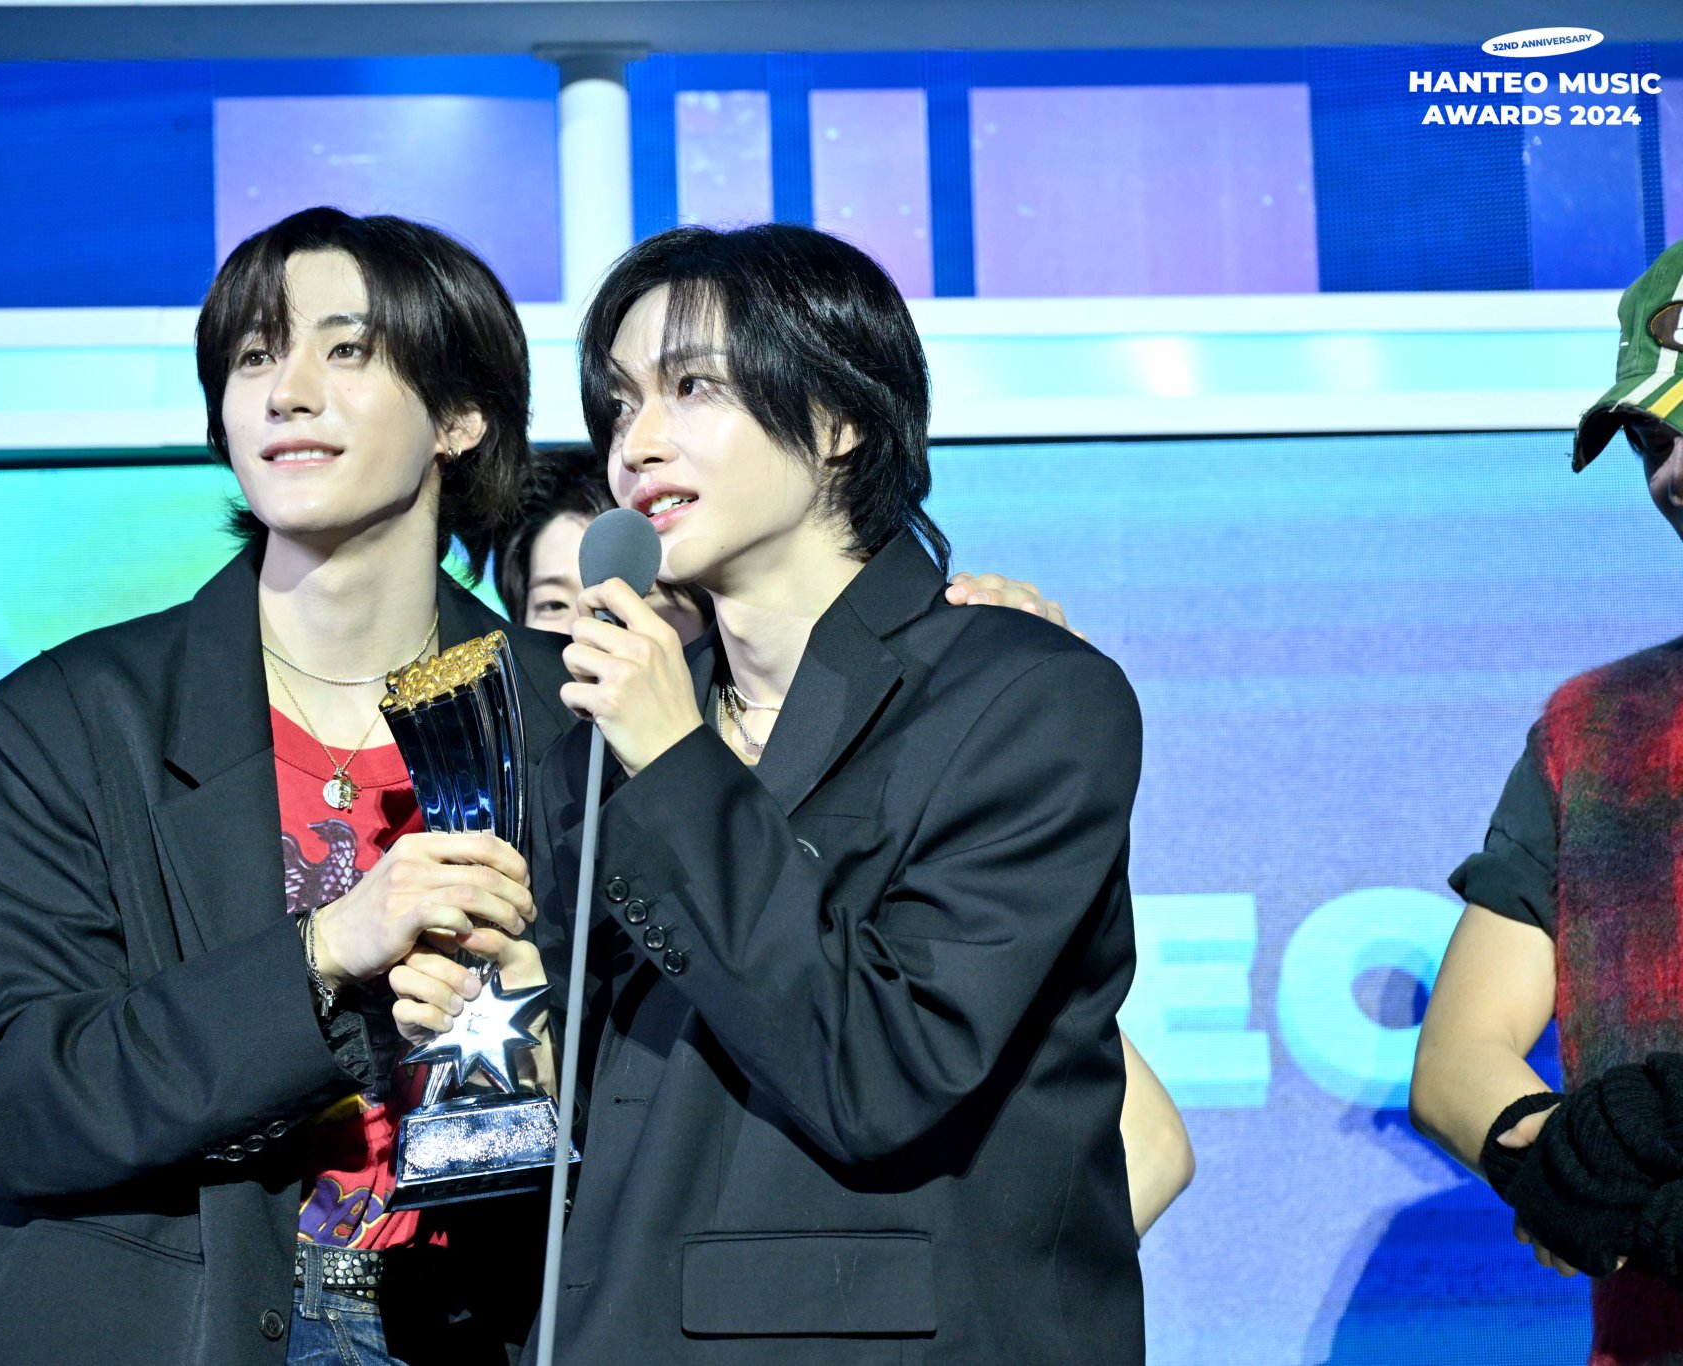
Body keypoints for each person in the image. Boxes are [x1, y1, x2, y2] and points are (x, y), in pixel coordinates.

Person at [396, 222, 1147, 1361]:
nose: (637, 444)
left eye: (691, 388)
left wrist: (678, 763)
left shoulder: (1027, 699)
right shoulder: (601, 735)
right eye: (618, 404)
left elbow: (886, 1068)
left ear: (839, 419)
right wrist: (506, 1028)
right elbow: (607, 1114)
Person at [0, 207, 571, 1366]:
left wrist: (532, 1051)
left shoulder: (566, 720)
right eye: (256, 355)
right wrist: (324, 951)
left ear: (459, 416)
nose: (287, 392)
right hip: (161, 1326)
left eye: (346, 349)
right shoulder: (75, 719)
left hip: (471, 1320)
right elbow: (20, 1099)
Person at [495, 446, 1194, 1236]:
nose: (603, 635)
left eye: (644, 601)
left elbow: (1145, 1144)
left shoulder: (937, 733)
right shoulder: (566, 783)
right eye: (556, 606)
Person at [1411, 239, 1683, 1364]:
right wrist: (1565, 1163)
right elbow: (1456, 1060)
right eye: (1653, 439)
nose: (1673, 472)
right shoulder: (1594, 728)